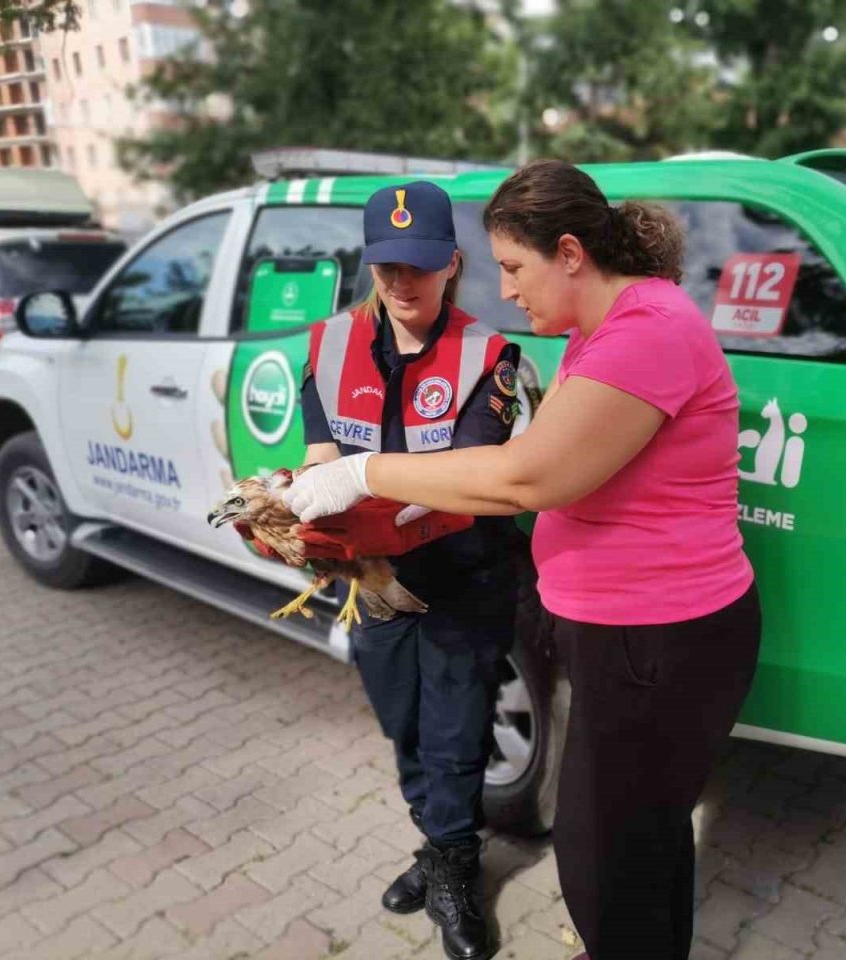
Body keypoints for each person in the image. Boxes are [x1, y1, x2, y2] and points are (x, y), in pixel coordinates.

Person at [281, 159, 761, 960]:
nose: (505, 290)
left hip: (656, 634)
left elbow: (526, 477)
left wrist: (364, 475)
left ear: (569, 253)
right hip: (627, 633)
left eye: (512, 266)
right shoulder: (601, 331)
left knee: (605, 856)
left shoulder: (646, 332)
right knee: (634, 845)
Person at [294, 181, 520, 960]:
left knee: (455, 733)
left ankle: (456, 868)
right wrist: (292, 515)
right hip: (375, 582)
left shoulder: (488, 355)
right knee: (405, 727)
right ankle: (437, 841)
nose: (402, 281)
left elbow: (467, 480)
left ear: (452, 264)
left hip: (463, 574)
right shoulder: (327, 347)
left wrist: (363, 488)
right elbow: (321, 457)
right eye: (388, 264)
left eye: (420, 265)